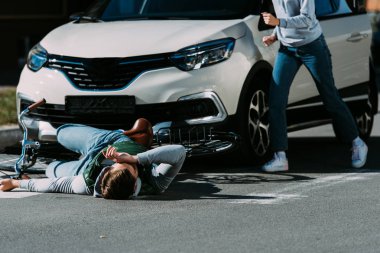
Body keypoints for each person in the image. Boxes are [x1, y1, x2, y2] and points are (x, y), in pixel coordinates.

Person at [260, 0, 368, 172]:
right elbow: (283, 14)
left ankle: (357, 143)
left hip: (312, 46)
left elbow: (307, 19)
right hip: (287, 49)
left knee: (330, 98)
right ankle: (280, 156)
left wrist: (278, 22)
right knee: (276, 100)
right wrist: (275, 34)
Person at [0, 119, 186, 199]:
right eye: (120, 164)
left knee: (52, 169)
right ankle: (134, 136)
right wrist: (135, 158)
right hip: (110, 141)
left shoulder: (86, 184)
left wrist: (16, 184)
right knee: (61, 133)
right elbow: (179, 152)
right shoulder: (157, 183)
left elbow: (53, 185)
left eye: (124, 164)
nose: (119, 160)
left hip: (82, 169)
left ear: (136, 185)